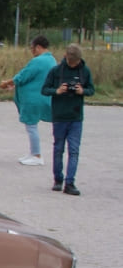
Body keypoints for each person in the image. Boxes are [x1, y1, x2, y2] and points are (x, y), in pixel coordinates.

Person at [41, 43, 94, 195]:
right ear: (65, 57)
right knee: (58, 149)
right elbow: (44, 89)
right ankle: (58, 179)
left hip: (76, 116)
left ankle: (70, 182)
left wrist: (82, 91)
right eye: (71, 62)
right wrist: (57, 91)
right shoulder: (56, 71)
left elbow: (91, 89)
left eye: (75, 63)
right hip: (59, 115)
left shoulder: (84, 71)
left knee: (74, 150)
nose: (73, 65)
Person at [0, 36, 56, 165]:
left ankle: (36, 154)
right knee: (32, 126)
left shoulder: (38, 61)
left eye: (32, 48)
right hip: (42, 97)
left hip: (34, 99)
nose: (32, 51)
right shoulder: (51, 60)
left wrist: (7, 82)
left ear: (38, 47)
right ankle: (33, 153)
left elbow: (23, 75)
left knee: (31, 126)